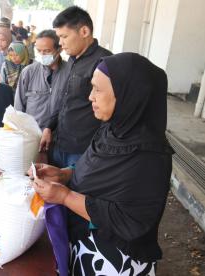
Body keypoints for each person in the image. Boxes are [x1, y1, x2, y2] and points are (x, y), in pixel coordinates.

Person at [29, 53, 172, 275]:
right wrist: (64, 174)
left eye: (98, 89)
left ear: (127, 95)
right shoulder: (112, 130)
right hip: (84, 243)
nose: (90, 97)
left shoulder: (149, 157)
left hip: (116, 261)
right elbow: (93, 168)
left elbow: (128, 220)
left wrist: (65, 197)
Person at [41, 6, 112, 168]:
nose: (60, 43)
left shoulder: (105, 62)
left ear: (84, 31)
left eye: (64, 36)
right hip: (59, 143)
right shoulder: (71, 60)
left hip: (83, 150)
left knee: (74, 191)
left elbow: (109, 113)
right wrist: (48, 127)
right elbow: (64, 99)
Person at [14, 30, 67, 134]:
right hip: (33, 135)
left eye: (47, 51)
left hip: (59, 137)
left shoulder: (70, 72)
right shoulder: (28, 72)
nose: (42, 55)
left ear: (59, 49)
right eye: (39, 51)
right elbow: (19, 107)